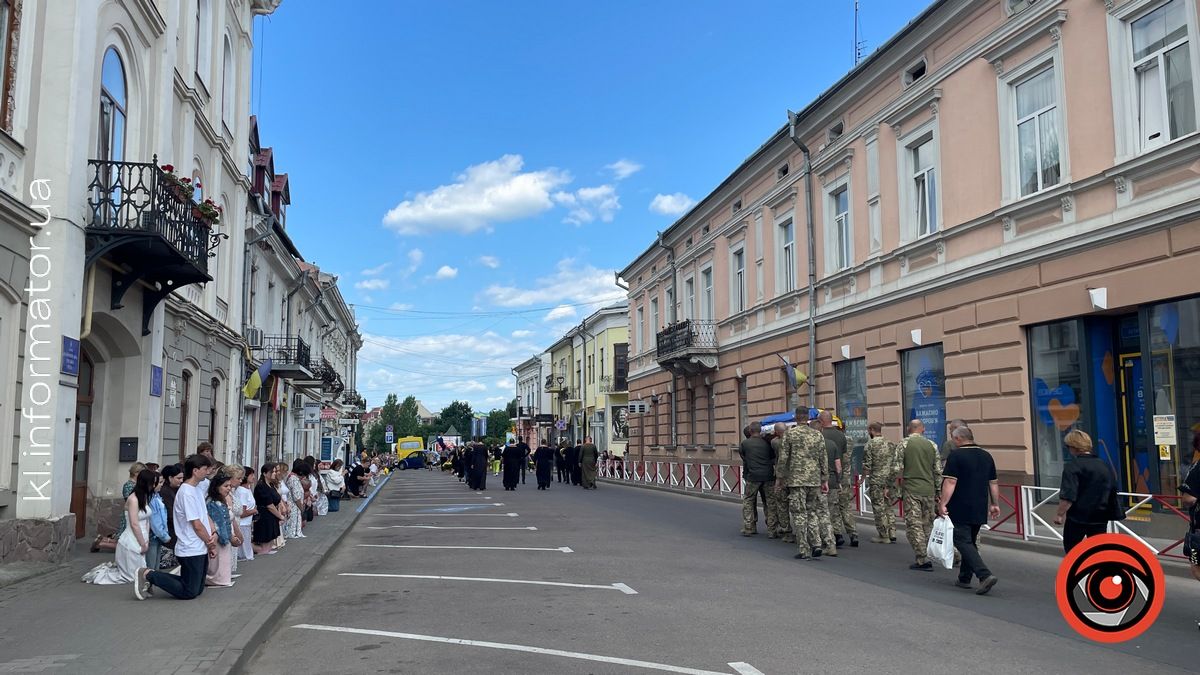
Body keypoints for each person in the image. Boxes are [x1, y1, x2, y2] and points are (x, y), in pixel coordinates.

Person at [136, 454, 215, 600]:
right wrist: (209, 542)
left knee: (197, 589)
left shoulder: (196, 490)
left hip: (200, 545)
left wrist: (212, 534)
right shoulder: (186, 493)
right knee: (189, 592)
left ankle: (153, 576)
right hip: (190, 546)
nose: (208, 471)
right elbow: (196, 524)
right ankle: (148, 574)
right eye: (205, 469)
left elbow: (205, 515)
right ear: (195, 471)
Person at [938, 426, 1000, 595]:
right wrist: (995, 504)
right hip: (979, 506)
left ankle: (984, 575)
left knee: (961, 540)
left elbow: (950, 482)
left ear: (958, 439)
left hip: (960, 505)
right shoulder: (986, 456)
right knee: (970, 542)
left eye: (953, 439)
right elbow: (993, 482)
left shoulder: (956, 455)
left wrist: (943, 503)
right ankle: (964, 578)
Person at [84, 469, 155, 585]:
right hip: (132, 538)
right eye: (152, 483)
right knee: (132, 576)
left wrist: (146, 539)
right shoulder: (133, 499)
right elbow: (134, 523)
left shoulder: (144, 497)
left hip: (142, 536)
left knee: (139, 572)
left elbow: (146, 519)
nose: (153, 486)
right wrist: (142, 543)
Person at [775, 410, 829, 560]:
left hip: (796, 480)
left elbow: (783, 457)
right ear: (808, 418)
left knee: (799, 514)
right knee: (812, 512)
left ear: (796, 418)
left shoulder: (790, 434)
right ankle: (817, 543)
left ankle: (804, 548)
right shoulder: (817, 435)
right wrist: (824, 479)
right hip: (814, 479)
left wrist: (779, 478)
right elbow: (823, 457)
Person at [1054, 430, 1116, 553]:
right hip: (1100, 517)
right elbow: (1111, 489)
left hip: (1078, 518)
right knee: (1098, 552)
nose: (1068, 449)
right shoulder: (1103, 465)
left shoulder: (1072, 466)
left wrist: (1059, 514)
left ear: (1074, 447)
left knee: (1073, 552)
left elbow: (1068, 496)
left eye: (1068, 446)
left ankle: (1077, 572)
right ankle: (1097, 571)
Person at [900, 419, 941, 571]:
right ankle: (951, 554)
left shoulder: (904, 444)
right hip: (929, 490)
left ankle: (922, 559)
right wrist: (938, 491)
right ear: (923, 429)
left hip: (912, 490)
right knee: (928, 524)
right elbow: (937, 471)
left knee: (914, 524)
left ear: (909, 429)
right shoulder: (932, 445)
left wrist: (890, 487)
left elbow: (896, 467)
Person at [820, 411, 857, 548]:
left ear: (821, 421)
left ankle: (836, 534)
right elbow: (845, 459)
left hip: (828, 477)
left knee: (830, 509)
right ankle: (853, 534)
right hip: (843, 477)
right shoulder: (843, 437)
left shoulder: (820, 436)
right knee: (845, 507)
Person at [93, 462, 146, 553]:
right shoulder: (129, 485)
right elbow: (130, 500)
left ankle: (103, 540)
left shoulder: (134, 484)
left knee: (122, 538)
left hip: (131, 513)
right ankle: (101, 544)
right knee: (124, 540)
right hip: (129, 514)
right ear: (136, 473)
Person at [862, 422, 900, 543]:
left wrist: (863, 478)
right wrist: (891, 481)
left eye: (869, 430)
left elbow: (867, 464)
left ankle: (883, 535)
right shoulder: (890, 444)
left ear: (871, 430)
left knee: (878, 507)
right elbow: (895, 464)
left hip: (876, 480)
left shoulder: (870, 445)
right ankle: (892, 532)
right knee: (888, 506)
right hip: (889, 480)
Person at [739, 422, 778, 537]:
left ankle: (749, 527)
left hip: (753, 476)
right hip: (768, 476)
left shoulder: (745, 444)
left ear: (750, 431)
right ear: (760, 431)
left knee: (749, 501)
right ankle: (772, 530)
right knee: (770, 502)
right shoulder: (767, 443)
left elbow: (744, 457)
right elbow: (773, 457)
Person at [205, 472, 237, 587]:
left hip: (225, 537)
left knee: (223, 562)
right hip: (218, 538)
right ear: (217, 487)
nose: (229, 488)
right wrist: (225, 538)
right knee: (217, 563)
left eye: (229, 486)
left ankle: (222, 579)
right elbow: (218, 523)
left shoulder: (221, 501)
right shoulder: (213, 503)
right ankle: (215, 579)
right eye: (225, 486)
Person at [767, 423, 792, 542]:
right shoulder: (793, 440)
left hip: (782, 477)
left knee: (782, 505)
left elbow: (773, 440)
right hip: (795, 477)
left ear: (776, 432)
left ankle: (787, 532)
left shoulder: (775, 442)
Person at [252, 464, 283, 555]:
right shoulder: (261, 486)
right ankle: (247, 548)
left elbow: (277, 499)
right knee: (265, 540)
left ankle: (267, 550)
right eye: (272, 472)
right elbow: (269, 505)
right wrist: (280, 516)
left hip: (272, 516)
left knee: (271, 538)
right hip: (264, 515)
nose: (274, 474)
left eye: (274, 472)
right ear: (265, 473)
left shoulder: (271, 485)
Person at [235, 466, 258, 562]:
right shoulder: (242, 491)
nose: (253, 477)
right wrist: (254, 511)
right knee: (244, 547)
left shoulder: (247, 490)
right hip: (243, 523)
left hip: (247, 523)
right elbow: (242, 512)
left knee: (247, 544)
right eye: (251, 475)